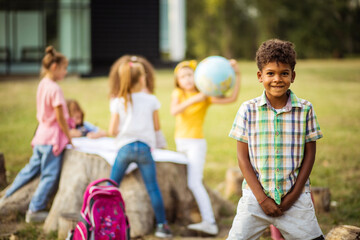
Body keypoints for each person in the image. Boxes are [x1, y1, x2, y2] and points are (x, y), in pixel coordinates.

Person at [227, 39, 324, 240]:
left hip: (296, 200)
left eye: (284, 73)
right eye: (270, 73)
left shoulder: (305, 109)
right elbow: (242, 159)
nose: (277, 79)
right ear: (260, 76)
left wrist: (292, 198)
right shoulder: (248, 109)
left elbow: (310, 156)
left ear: (293, 76)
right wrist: (262, 200)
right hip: (255, 200)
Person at [1, 46, 73, 223]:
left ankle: (6, 195)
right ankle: (34, 210)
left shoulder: (42, 84)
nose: (66, 72)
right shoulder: (55, 88)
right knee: (49, 175)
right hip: (51, 140)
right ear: (54, 67)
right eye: (64, 68)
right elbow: (59, 117)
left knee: (29, 170)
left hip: (40, 136)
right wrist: (69, 135)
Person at [170, 59, 241, 235]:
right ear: (177, 81)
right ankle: (187, 216)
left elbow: (232, 98)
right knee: (185, 182)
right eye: (182, 77)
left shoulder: (206, 94)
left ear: (197, 77)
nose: (186, 79)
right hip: (181, 143)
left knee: (194, 182)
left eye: (189, 75)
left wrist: (237, 74)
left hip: (196, 143)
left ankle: (209, 222)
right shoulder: (178, 93)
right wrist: (196, 98)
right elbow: (175, 110)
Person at [108, 58, 172, 238]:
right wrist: (162, 144)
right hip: (145, 149)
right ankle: (162, 226)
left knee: (112, 186)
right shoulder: (151, 100)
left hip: (124, 149)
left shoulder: (119, 101)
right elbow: (157, 127)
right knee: (152, 187)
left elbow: (113, 130)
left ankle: (106, 220)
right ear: (142, 79)